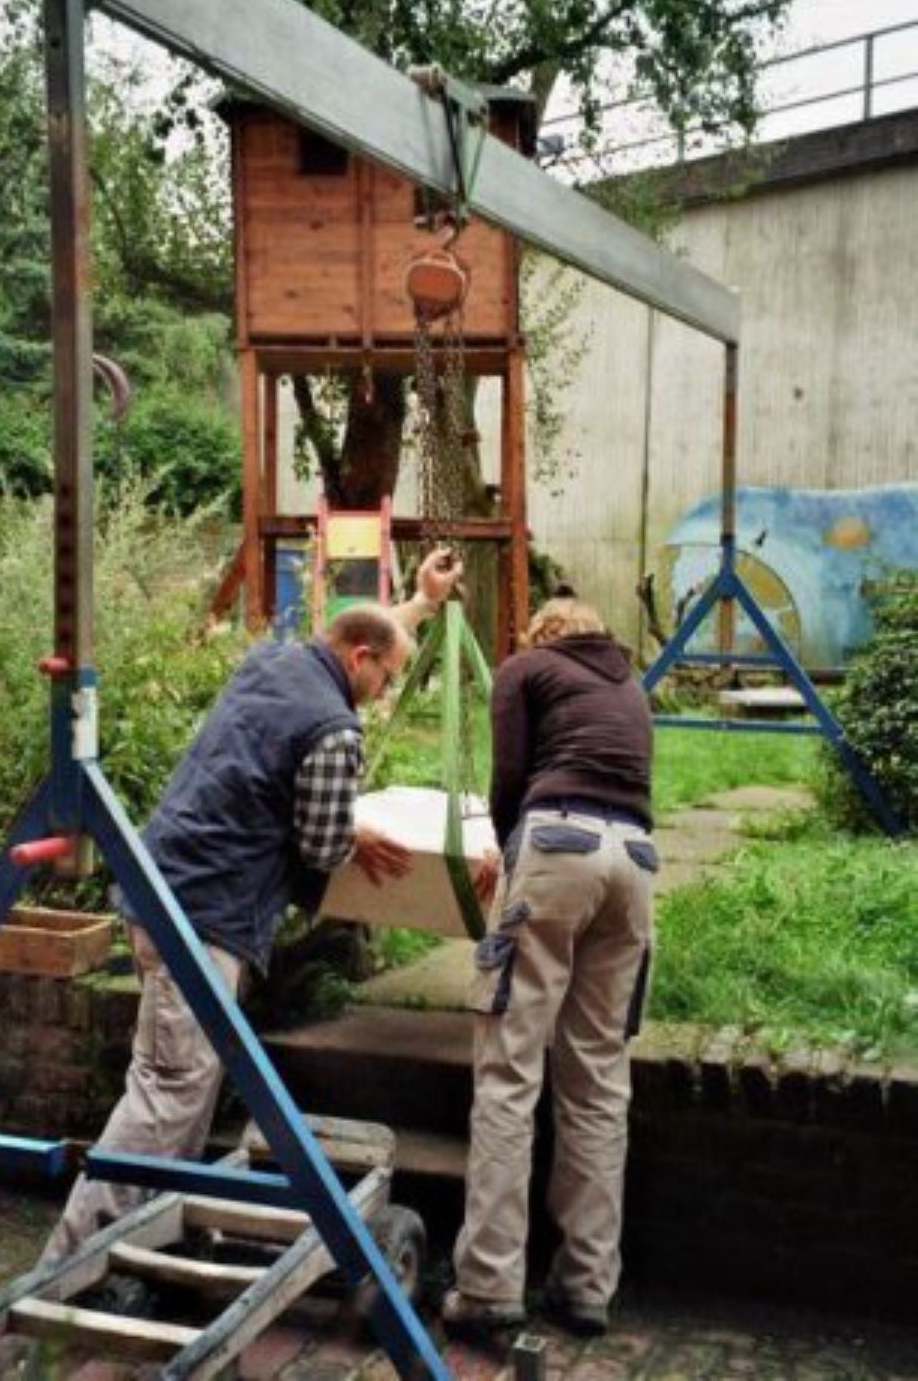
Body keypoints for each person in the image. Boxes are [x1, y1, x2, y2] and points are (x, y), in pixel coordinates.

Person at [42, 548, 462, 1263]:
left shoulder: (276, 661)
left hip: (159, 889)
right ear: (359, 660)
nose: (383, 695)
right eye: (386, 679)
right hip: (206, 919)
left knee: (186, 1080)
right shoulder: (335, 729)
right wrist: (352, 828)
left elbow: (368, 630)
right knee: (170, 1088)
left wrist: (421, 600)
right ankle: (71, 1260)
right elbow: (324, 849)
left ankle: (134, 1241)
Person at [443, 596, 655, 1338]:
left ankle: (489, 1286)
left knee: (508, 1071)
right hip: (635, 863)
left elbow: (508, 780)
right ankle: (587, 1285)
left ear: (541, 635)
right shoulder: (630, 684)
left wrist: (505, 862)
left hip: (557, 845)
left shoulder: (525, 668)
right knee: (598, 1080)